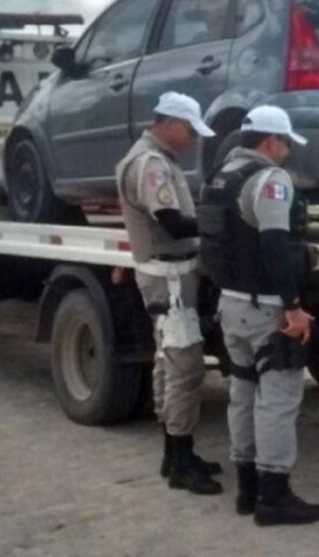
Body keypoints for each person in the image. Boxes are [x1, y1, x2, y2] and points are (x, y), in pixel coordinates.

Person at [201, 105, 319, 526]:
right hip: (266, 307)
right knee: (277, 400)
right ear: (270, 141)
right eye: (286, 142)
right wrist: (293, 307)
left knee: (242, 394)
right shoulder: (270, 180)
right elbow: (275, 245)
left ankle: (247, 490)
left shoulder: (219, 178)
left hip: (231, 303)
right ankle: (274, 498)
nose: (289, 151)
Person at [114, 91, 223, 496]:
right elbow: (173, 223)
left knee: (167, 362)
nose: (193, 139)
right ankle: (180, 461)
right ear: (171, 123)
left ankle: (176, 454)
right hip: (170, 277)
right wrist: (217, 225)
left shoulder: (152, 159)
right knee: (184, 367)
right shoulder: (152, 164)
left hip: (167, 274)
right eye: (191, 130)